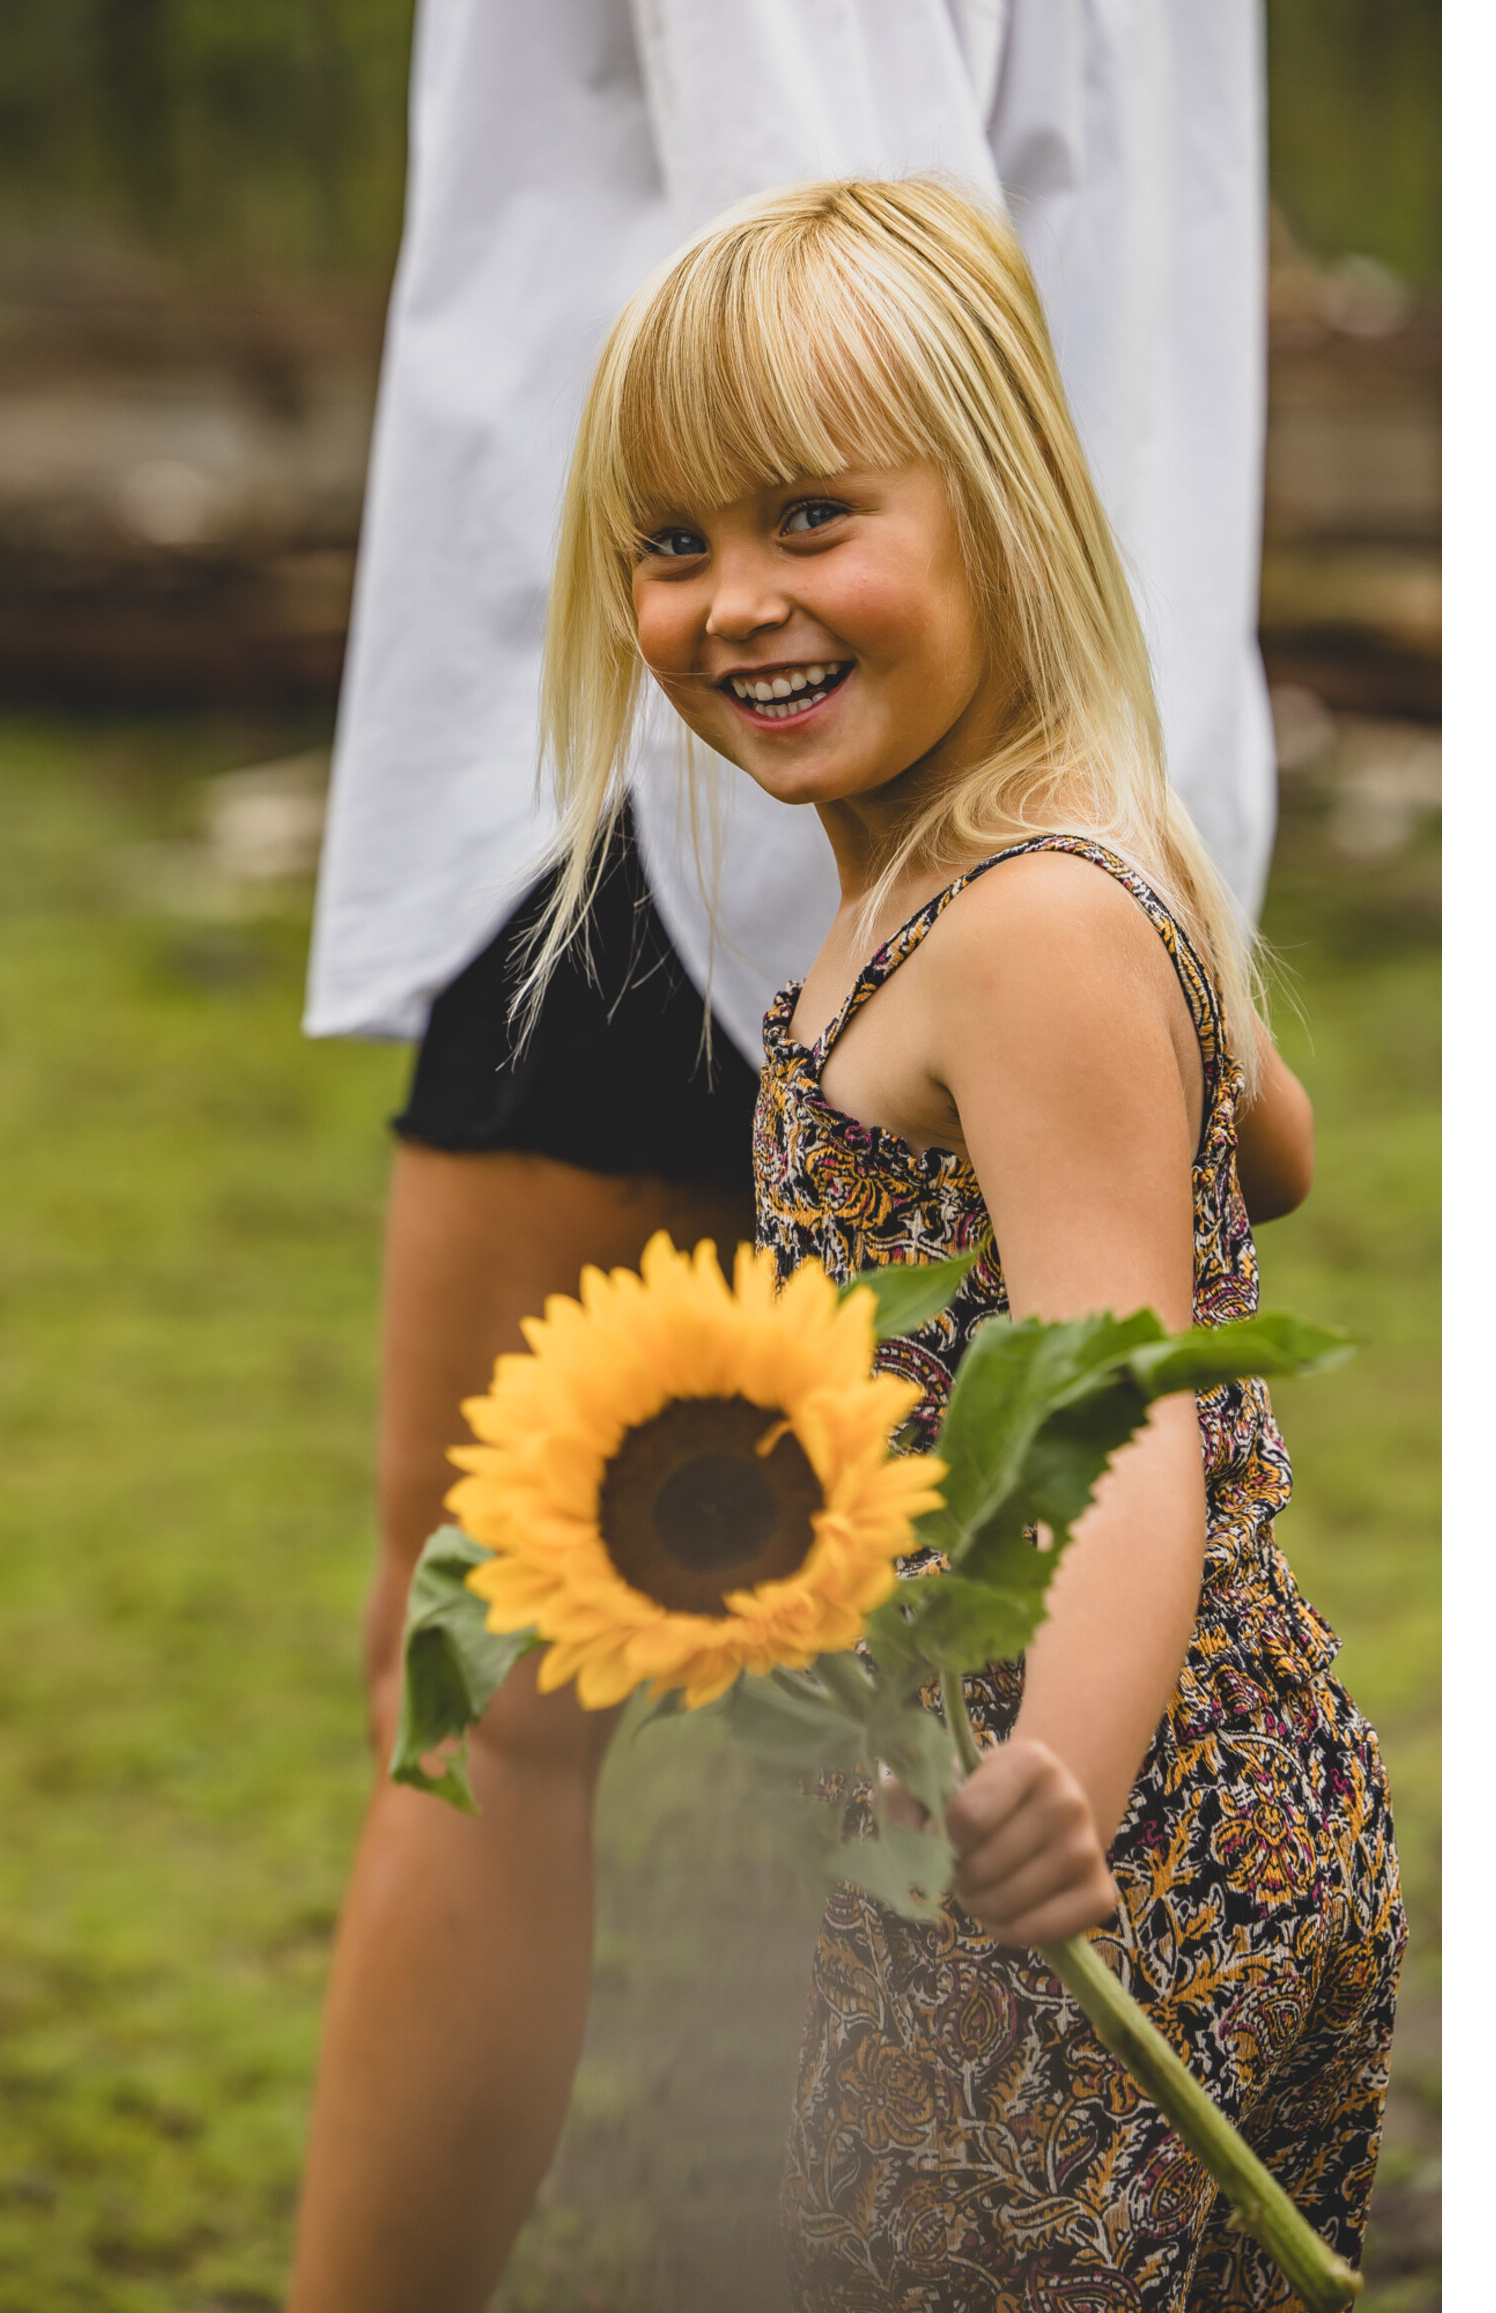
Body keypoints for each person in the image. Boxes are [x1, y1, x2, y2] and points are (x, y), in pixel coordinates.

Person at [292, 8, 1278, 2306]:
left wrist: (799, 595)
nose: (736, 558)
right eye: (687, 536)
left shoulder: (806, 665)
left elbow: (822, 227)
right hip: (1070, 721)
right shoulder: (1079, 871)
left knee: (470, 1695)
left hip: (750, 805)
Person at [529, 175, 1404, 2307]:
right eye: (672, 544)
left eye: (810, 518)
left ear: (999, 511)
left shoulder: (1017, 921)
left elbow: (1125, 1408)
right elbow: (1258, 1147)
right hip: (1165, 1780)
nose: (735, 601)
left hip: (1115, 1831)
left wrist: (1057, 1783)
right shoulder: (1056, 856)